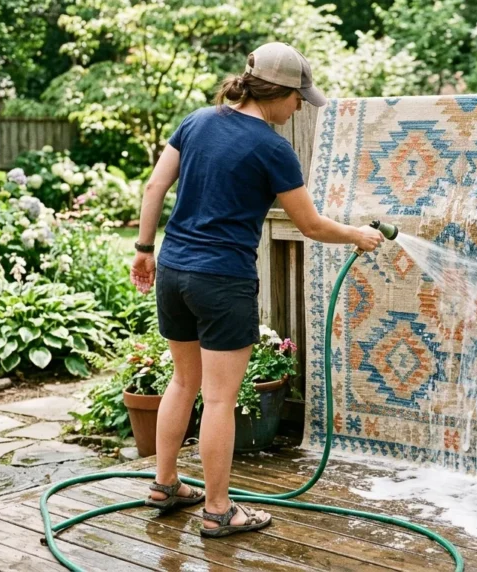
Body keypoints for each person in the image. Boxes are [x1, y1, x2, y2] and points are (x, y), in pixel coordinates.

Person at [129, 42, 384, 538]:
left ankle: (164, 485)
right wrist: (357, 234)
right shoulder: (273, 148)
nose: (299, 109)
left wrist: (144, 249)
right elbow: (310, 225)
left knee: (182, 382)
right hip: (222, 281)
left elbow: (154, 187)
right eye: (298, 99)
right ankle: (218, 510)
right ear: (279, 93)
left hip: (175, 271)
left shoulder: (197, 121)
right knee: (220, 400)